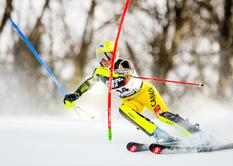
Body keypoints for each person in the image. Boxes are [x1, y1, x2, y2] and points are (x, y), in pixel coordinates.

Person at [63, 41, 199, 143]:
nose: (102, 61)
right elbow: (88, 84)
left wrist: (113, 73)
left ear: (112, 55)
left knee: (162, 115)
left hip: (144, 92)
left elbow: (126, 75)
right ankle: (161, 135)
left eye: (105, 57)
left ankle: (194, 131)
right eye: (99, 58)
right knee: (123, 110)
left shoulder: (123, 63)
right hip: (129, 100)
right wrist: (75, 95)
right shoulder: (99, 73)